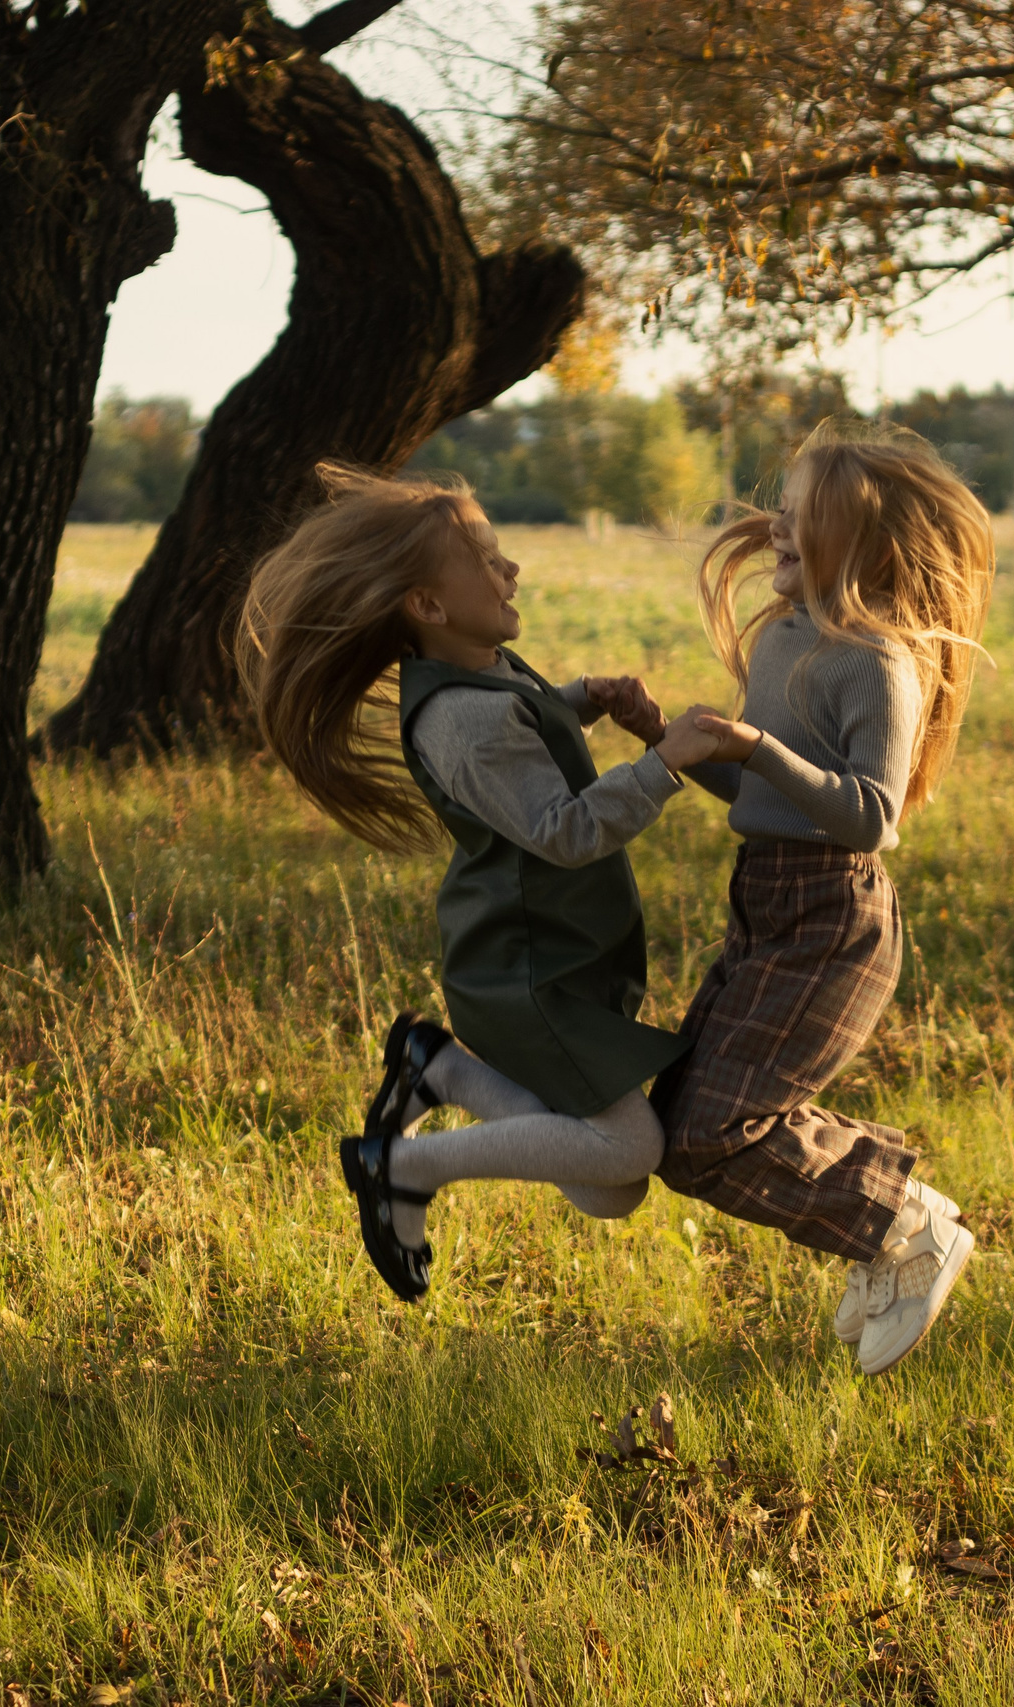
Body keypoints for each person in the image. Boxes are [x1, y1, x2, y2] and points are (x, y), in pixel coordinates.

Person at [236, 466, 719, 1302]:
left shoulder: (487, 673)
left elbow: (520, 731)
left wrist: (576, 702)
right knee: (630, 1150)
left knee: (610, 1186)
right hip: (527, 969)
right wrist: (662, 767)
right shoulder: (462, 718)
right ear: (427, 606)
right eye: (490, 561)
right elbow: (563, 830)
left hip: (551, 950)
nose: (512, 572)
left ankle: (440, 1071)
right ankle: (400, 1167)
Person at [640, 424, 995, 1376]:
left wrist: (756, 748)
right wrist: (668, 739)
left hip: (833, 917)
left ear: (861, 544)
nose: (775, 534)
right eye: (783, 514)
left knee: (714, 1127)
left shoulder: (880, 662)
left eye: (802, 521)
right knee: (679, 1124)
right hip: (763, 899)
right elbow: (767, 799)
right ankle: (893, 1219)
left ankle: (898, 1227)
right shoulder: (787, 640)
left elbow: (869, 816)